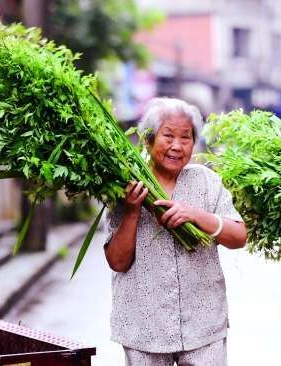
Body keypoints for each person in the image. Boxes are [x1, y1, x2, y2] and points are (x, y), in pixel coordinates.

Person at [103, 97, 247, 366]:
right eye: (168, 136)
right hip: (144, 329)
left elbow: (239, 237)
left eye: (186, 137)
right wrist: (133, 210)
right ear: (148, 140)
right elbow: (117, 262)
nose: (177, 146)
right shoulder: (126, 186)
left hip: (203, 328)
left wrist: (196, 215)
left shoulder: (206, 181)